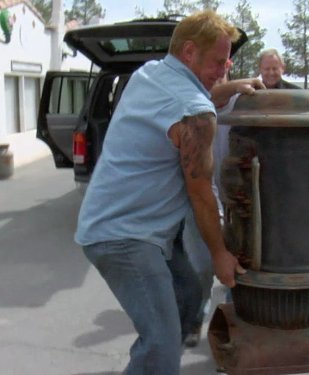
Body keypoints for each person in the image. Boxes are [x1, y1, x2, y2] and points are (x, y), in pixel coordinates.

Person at [74, 11, 246, 374]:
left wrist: (234, 86)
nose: (224, 68)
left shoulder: (150, 74)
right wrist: (220, 254)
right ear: (188, 52)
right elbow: (201, 195)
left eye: (227, 61)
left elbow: (192, 97)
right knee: (162, 347)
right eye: (219, 61)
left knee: (190, 294)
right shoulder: (195, 114)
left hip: (121, 226)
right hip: (124, 238)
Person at [182, 71, 265, 348]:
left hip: (238, 202)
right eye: (209, 72)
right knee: (203, 267)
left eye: (221, 73)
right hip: (202, 201)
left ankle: (234, 328)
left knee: (237, 267)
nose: (214, 79)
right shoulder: (194, 102)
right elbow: (208, 97)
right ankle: (196, 315)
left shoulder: (243, 102)